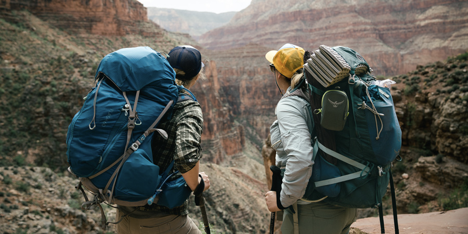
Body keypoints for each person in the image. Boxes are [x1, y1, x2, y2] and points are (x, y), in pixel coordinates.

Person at [264, 43, 356, 234]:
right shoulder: (320, 94)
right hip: (342, 204)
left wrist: (283, 200)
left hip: (313, 212)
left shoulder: (290, 105)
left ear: (278, 74)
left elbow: (301, 158)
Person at [117, 45, 210, 234]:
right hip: (160, 219)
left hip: (123, 213)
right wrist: (198, 184)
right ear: (197, 76)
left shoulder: (141, 94)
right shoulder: (187, 108)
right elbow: (186, 156)